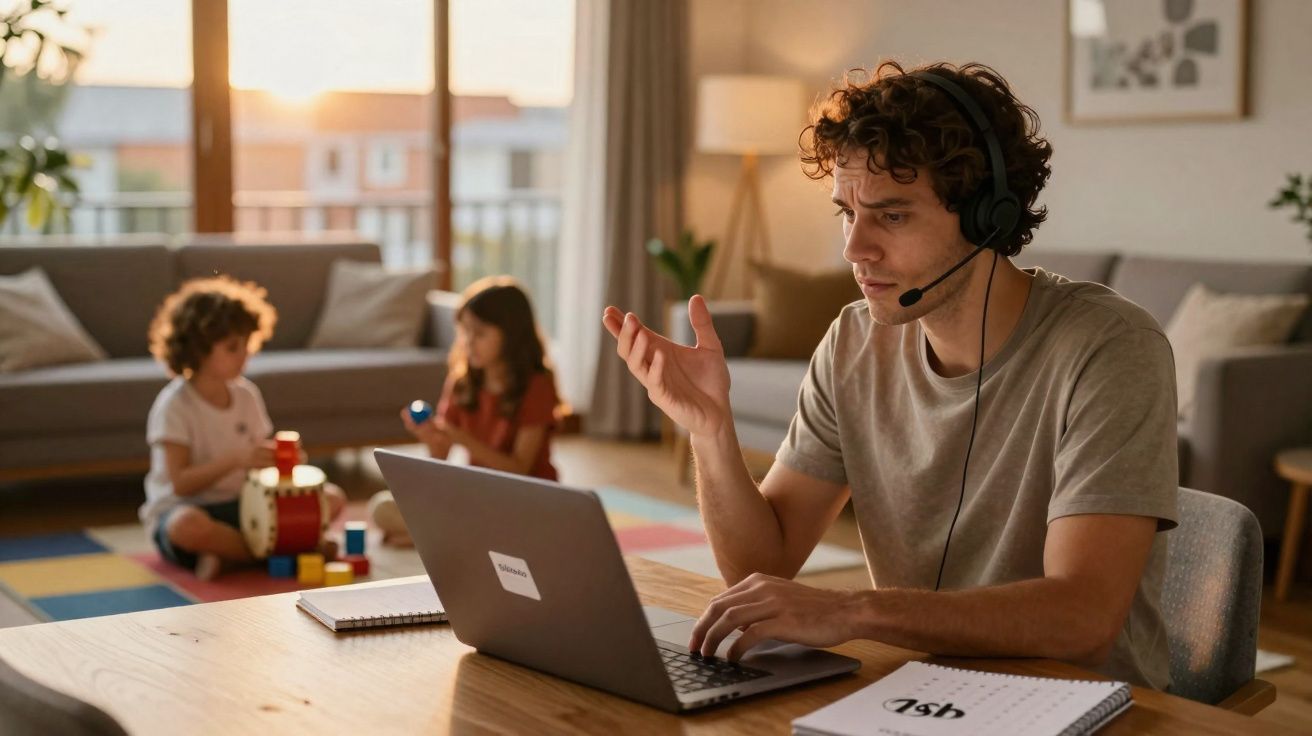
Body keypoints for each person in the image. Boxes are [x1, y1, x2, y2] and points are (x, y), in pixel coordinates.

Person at [602, 61, 1178, 689]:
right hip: (915, 696)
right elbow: (762, 563)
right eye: (846, 213)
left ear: (989, 216)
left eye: (892, 215)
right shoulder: (855, 339)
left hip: (1075, 706)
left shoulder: (1110, 348)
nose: (854, 248)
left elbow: (1083, 619)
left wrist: (851, 609)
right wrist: (711, 432)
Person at [142, 276, 345, 579]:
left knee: (331, 497)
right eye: (232, 347)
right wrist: (237, 459)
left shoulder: (245, 394)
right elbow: (181, 484)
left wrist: (283, 465)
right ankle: (282, 552)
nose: (245, 355)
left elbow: (261, 465)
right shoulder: (175, 404)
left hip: (245, 506)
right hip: (188, 508)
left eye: (247, 345)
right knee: (187, 527)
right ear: (198, 349)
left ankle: (234, 554)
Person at [372, 276, 563, 545]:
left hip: (529, 500)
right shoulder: (463, 383)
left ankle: (438, 534)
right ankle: (444, 533)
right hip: (480, 495)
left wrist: (462, 437)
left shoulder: (536, 386)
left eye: (480, 333)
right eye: (464, 331)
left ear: (511, 336)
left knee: (501, 521)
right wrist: (433, 441)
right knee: (382, 508)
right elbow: (441, 461)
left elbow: (520, 469)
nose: (468, 342)